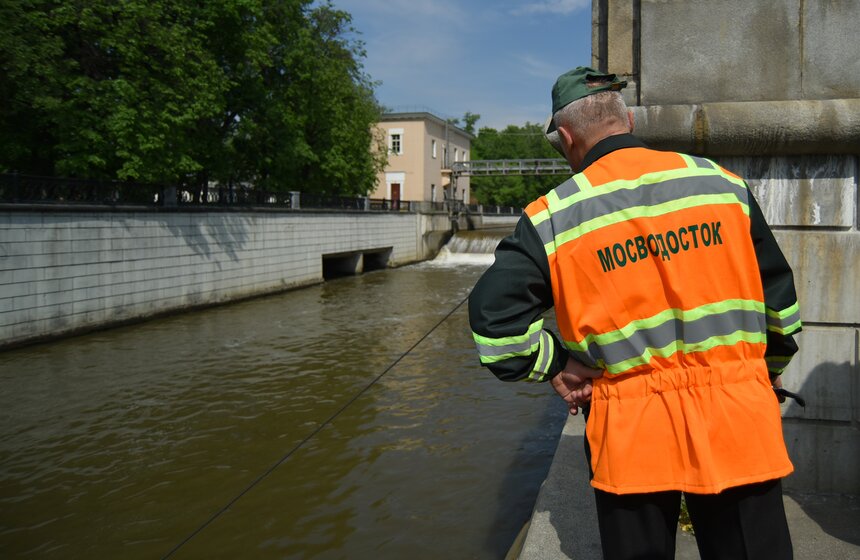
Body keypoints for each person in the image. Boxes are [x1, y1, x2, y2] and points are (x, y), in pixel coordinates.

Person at [468, 66, 801, 560]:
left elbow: (496, 333)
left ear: (566, 136)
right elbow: (783, 313)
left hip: (630, 430)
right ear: (625, 119)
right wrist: (757, 376)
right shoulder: (721, 185)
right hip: (739, 418)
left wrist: (558, 365)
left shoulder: (552, 216)